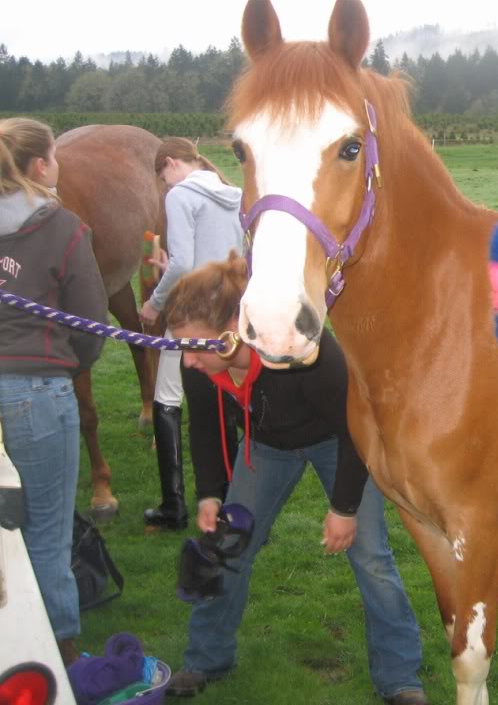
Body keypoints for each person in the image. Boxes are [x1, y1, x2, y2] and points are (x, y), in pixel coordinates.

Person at [161, 256, 429, 705]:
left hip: (337, 440)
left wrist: (344, 508)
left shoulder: (303, 349)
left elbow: (354, 428)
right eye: (181, 347)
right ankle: (205, 658)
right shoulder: (202, 367)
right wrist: (209, 493)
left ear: (233, 328)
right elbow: (205, 428)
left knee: (371, 557)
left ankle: (400, 678)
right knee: (227, 546)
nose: (187, 360)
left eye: (195, 346)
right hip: (265, 446)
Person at [0, 117, 107, 665]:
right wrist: (66, 368)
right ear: (42, 165)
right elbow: (92, 322)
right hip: (38, 393)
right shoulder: (63, 227)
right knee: (47, 534)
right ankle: (59, 659)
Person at [139, 139, 243, 530]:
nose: (165, 185)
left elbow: (184, 261)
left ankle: (173, 505)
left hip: (192, 314)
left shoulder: (181, 195)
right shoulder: (231, 192)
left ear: (169, 164)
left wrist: (154, 302)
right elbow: (214, 254)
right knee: (224, 408)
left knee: (169, 399)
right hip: (229, 313)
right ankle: (236, 502)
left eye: (163, 178)